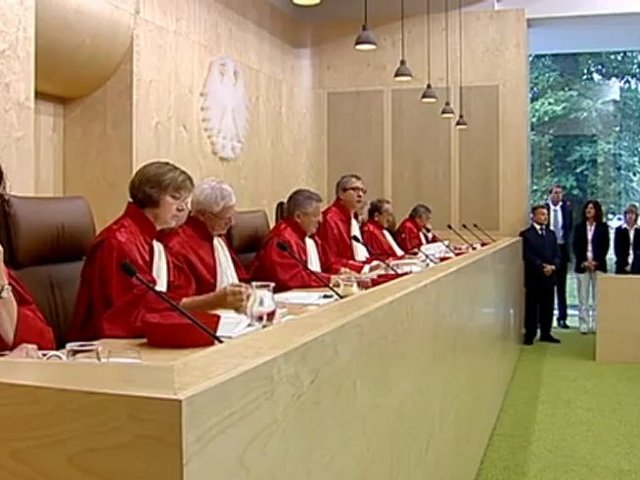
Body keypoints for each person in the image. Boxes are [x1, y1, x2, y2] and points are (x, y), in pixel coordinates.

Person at [69, 161, 241, 341]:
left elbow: (178, 293)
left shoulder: (156, 239)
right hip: (107, 345)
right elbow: (133, 313)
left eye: (185, 201)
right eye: (175, 198)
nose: (182, 208)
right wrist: (211, 301)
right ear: (151, 196)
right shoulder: (119, 242)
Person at [161, 179, 250, 306]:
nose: (232, 223)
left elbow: (241, 279)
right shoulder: (177, 246)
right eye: (226, 218)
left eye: (232, 216)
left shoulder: (217, 238)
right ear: (203, 215)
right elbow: (177, 304)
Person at [252, 189, 362, 291]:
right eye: (316, 215)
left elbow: (328, 263)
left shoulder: (311, 237)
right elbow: (293, 278)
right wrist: (331, 279)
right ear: (298, 217)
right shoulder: (281, 240)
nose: (320, 220)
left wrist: (341, 272)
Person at [521, 204, 562, 345]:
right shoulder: (526, 235)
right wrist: (541, 266)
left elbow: (557, 253)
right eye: (542, 214)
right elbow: (528, 255)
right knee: (532, 307)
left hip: (549, 276)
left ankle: (546, 333)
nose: (545, 217)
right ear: (534, 216)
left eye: (546, 214)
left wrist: (553, 266)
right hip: (534, 277)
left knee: (548, 306)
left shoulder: (551, 234)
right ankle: (530, 334)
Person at [572, 200, 609, 334]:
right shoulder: (579, 227)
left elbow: (605, 246)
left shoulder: (603, 227)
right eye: (587, 208)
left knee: (597, 297)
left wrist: (595, 262)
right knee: (583, 297)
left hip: (598, 266)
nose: (589, 210)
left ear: (596, 211)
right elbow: (575, 246)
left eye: (592, 208)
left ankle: (596, 323)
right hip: (582, 266)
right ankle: (584, 323)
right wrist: (584, 262)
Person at [316, 174, 370, 264]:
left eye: (363, 191)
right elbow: (330, 260)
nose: (360, 195)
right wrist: (361, 267)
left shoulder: (353, 219)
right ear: (341, 194)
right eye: (355, 189)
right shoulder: (330, 218)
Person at [545, 185, 572, 329]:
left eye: (560, 193)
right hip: (547, 250)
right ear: (550, 194)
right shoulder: (544, 209)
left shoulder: (566, 209)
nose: (558, 196)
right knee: (546, 287)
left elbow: (568, 229)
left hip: (561, 249)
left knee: (562, 287)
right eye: (555, 193)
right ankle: (543, 319)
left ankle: (562, 318)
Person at [613, 204, 640, 274]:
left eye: (632, 213)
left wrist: (634, 265)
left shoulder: (638, 231)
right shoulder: (619, 230)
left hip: (637, 267)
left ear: (636, 215)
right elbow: (617, 250)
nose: (630, 215)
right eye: (628, 213)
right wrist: (625, 265)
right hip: (622, 267)